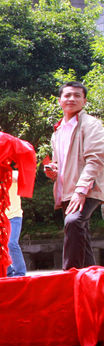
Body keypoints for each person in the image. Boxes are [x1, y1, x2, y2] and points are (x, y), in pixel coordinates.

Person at [46, 81, 104, 269]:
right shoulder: (58, 131)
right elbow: (58, 162)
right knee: (81, 236)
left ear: (84, 101)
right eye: (68, 95)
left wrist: (81, 190)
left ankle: (68, 275)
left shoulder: (91, 124)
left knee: (73, 221)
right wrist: (52, 169)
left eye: (77, 96)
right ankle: (93, 284)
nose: (72, 99)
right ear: (60, 100)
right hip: (66, 191)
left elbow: (95, 159)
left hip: (87, 188)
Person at [5, 169, 26, 277]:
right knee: (2, 246)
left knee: (11, 243)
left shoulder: (13, 173)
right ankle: (8, 273)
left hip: (14, 215)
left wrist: (4, 174)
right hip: (0, 217)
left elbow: (19, 178)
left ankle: (20, 273)